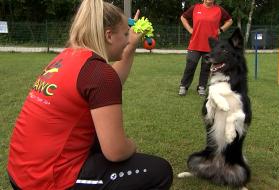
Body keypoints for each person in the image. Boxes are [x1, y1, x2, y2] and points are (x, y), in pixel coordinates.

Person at [7, 0, 173, 189]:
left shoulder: (67, 57)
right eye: (126, 34)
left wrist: (131, 45)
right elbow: (116, 151)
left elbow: (107, 87)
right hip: (45, 181)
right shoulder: (99, 73)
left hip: (21, 172)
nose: (128, 39)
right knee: (159, 172)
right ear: (109, 35)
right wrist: (131, 145)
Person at [178, 0, 233, 96]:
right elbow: (183, 17)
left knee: (206, 68)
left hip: (211, 46)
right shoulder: (195, 8)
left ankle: (202, 87)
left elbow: (230, 21)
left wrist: (221, 30)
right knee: (190, 66)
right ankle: (183, 86)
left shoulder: (219, 10)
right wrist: (190, 29)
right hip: (195, 44)